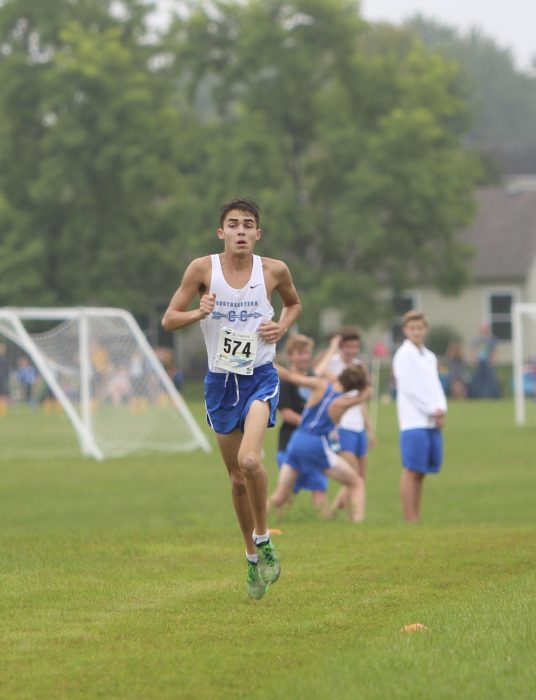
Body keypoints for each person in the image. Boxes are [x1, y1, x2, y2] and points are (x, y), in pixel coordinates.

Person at [161, 198, 301, 600]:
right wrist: (198, 313)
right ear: (220, 232)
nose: (241, 231)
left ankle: (264, 537)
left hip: (260, 377)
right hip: (221, 382)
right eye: (233, 225)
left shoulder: (273, 270)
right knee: (237, 479)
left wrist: (281, 327)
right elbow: (170, 318)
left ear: (258, 233)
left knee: (250, 460)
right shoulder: (202, 270)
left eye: (248, 225)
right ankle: (252, 558)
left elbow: (294, 304)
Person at [267, 364, 372, 522]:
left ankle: (255, 525)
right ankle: (357, 523)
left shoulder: (320, 384)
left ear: (341, 374)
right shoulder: (343, 402)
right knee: (356, 482)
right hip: (316, 443)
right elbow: (366, 394)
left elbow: (289, 376)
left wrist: (268, 362)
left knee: (279, 495)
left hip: (296, 440)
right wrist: (364, 386)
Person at [315, 329, 376, 522]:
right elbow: (317, 371)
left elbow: (361, 400)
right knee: (353, 476)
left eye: (356, 347)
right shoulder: (332, 362)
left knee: (360, 478)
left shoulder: (359, 366)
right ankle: (352, 518)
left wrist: (370, 428)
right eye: (348, 346)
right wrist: (332, 348)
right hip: (342, 427)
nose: (352, 351)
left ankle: (338, 510)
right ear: (341, 347)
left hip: (358, 427)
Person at [392, 310, 447, 523]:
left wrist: (441, 409)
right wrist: (431, 410)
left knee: (422, 471)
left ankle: (417, 514)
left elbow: (436, 386)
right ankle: (409, 517)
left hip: (432, 420)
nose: (416, 332)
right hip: (413, 421)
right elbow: (409, 389)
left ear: (425, 329)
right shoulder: (403, 355)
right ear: (406, 330)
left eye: (420, 328)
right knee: (412, 469)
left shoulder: (430, 356)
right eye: (412, 328)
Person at [276, 333, 329, 516]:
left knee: (319, 484)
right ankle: (276, 523)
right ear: (290, 356)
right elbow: (286, 413)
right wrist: (310, 424)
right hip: (289, 441)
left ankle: (325, 522)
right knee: (286, 490)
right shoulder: (284, 381)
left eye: (307, 353)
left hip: (312, 443)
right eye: (300, 353)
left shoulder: (314, 377)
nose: (304, 357)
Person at [468, 322, 501, 398]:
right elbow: (474, 350)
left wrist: (492, 360)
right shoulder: (477, 340)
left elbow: (494, 351)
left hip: (487, 363)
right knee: (477, 379)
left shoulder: (492, 339)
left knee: (490, 380)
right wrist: (474, 359)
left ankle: (492, 395)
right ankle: (476, 395)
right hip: (479, 362)